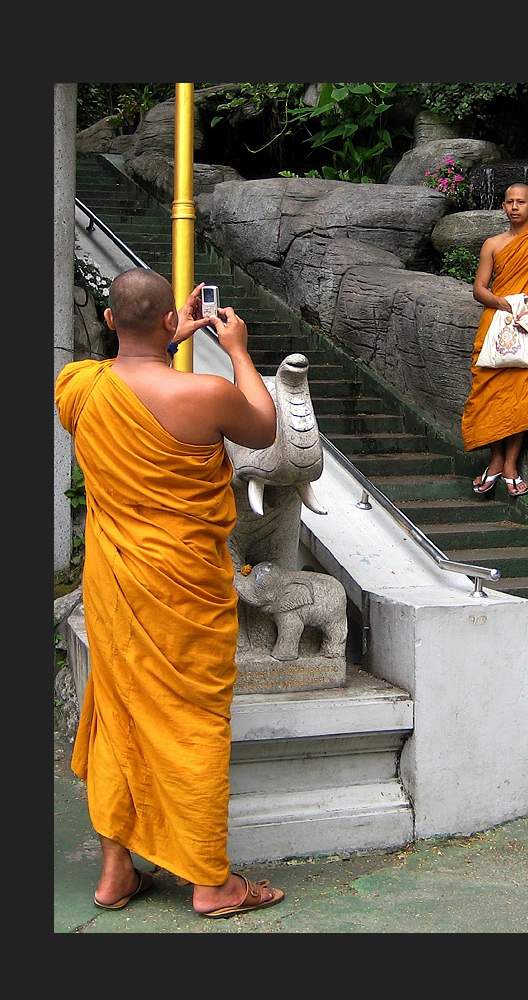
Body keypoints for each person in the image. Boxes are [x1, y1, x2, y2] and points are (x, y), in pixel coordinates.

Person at [54, 267, 285, 918]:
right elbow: (265, 428)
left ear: (106, 323)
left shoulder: (76, 387)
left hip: (116, 581)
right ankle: (211, 882)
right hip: (182, 586)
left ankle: (114, 871)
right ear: (169, 323)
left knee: (118, 712)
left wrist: (158, 339)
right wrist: (235, 348)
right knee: (193, 723)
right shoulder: (206, 394)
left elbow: (122, 377)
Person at [461, 182, 528, 496]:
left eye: (521, 202)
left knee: (521, 396)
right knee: (489, 392)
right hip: (496, 323)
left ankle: (511, 464)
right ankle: (495, 461)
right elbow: (480, 289)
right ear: (503, 206)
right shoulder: (492, 244)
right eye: (509, 202)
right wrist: (504, 304)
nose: (514, 207)